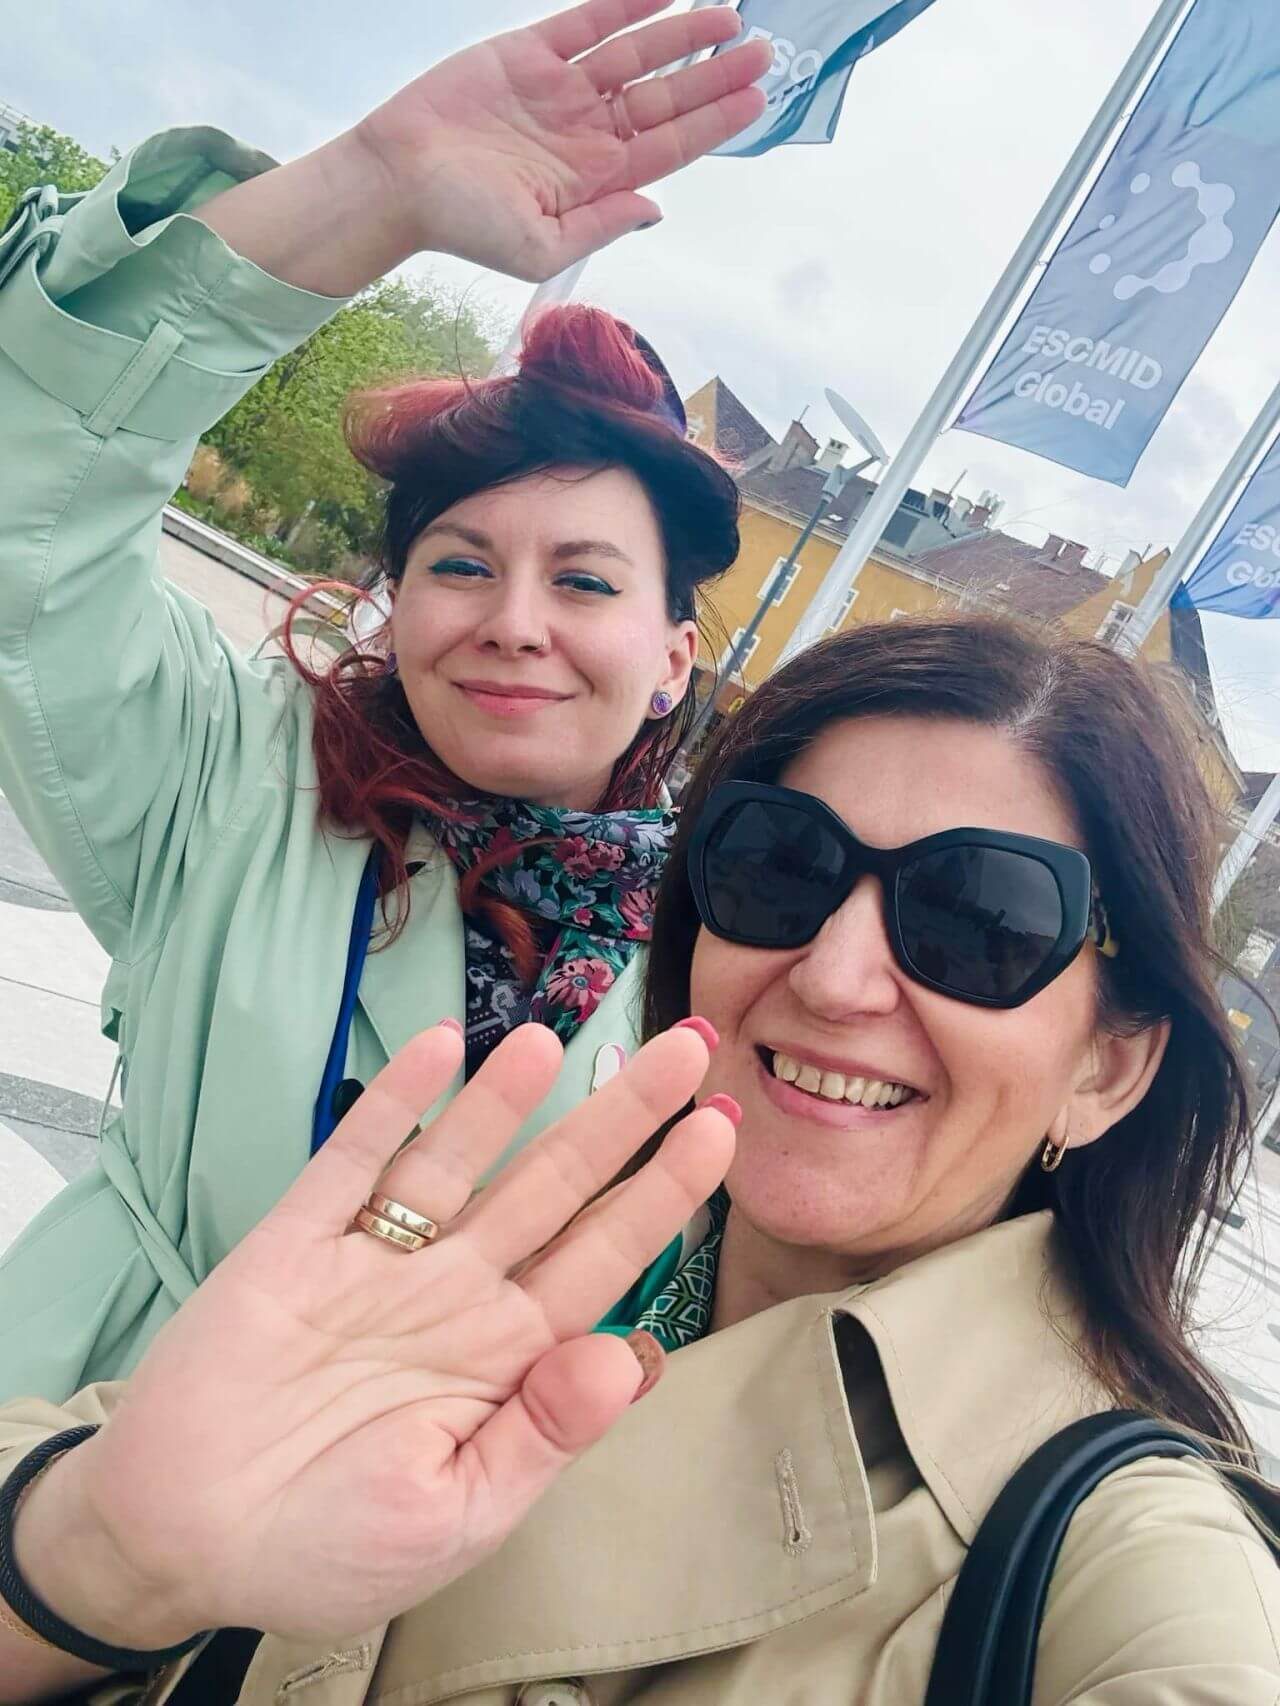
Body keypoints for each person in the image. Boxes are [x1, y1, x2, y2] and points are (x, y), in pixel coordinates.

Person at [2, 615, 1277, 1706]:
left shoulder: (1117, 1562)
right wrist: (107, 1558)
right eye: (779, 866)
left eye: (976, 917)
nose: (832, 977)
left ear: (1107, 1067)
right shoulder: (499, 1255)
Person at [0, 0, 772, 1400]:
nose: (513, 620)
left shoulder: (744, 939)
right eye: (460, 563)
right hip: (74, 1449)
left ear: (674, 656)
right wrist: (374, 185)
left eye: (585, 580)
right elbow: (31, 486)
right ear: (397, 599)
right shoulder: (226, 782)